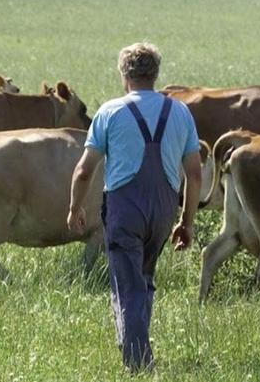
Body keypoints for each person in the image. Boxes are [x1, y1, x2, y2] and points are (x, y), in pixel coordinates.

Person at [68, 42, 202, 372]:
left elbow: (85, 170)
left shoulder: (110, 112)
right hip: (164, 208)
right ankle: (133, 344)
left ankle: (139, 365)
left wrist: (74, 207)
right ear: (155, 74)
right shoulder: (180, 111)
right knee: (143, 280)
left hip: (124, 208)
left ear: (123, 74)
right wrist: (187, 222)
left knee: (127, 286)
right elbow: (195, 174)